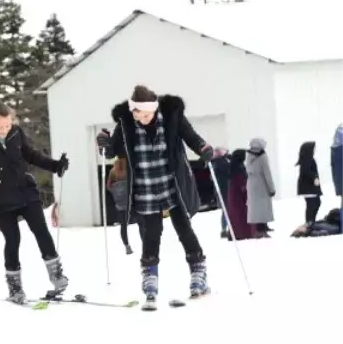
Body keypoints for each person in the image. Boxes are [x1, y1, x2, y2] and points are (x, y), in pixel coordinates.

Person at [97, 84, 216, 308]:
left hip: (172, 184)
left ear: (155, 108)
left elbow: (191, 137)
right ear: (133, 111)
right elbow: (111, 151)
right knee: (151, 233)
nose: (145, 119)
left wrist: (203, 148)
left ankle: (198, 271)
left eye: (149, 114)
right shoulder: (124, 124)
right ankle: (150, 277)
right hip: (145, 187)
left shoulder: (172, 115)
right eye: (140, 115)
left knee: (184, 228)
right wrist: (103, 142)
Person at [0, 97, 69, 303]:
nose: (5, 129)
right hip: (0, 197)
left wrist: (55, 165)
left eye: (8, 125)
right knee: (13, 239)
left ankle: (56, 275)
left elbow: (31, 155)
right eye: (0, 127)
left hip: (25, 191)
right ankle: (15, 287)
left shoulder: (16, 133)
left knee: (41, 230)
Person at [245, 138, 276, 237]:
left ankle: (260, 227)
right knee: (263, 207)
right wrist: (271, 188)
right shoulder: (262, 156)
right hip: (262, 183)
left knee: (256, 207)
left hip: (251, 183)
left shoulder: (248, 155)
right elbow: (267, 173)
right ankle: (262, 228)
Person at [106, 157, 134, 254]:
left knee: (123, 225)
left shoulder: (113, 171)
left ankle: (127, 246)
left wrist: (115, 191)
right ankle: (145, 244)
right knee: (142, 223)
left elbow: (108, 186)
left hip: (119, 202)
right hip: (130, 201)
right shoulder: (129, 166)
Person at [295, 141, 321, 225]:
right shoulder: (307, 159)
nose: (315, 150)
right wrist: (314, 178)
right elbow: (306, 171)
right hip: (308, 187)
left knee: (315, 203)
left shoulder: (308, 158)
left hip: (309, 187)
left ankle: (311, 221)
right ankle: (309, 221)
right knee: (312, 204)